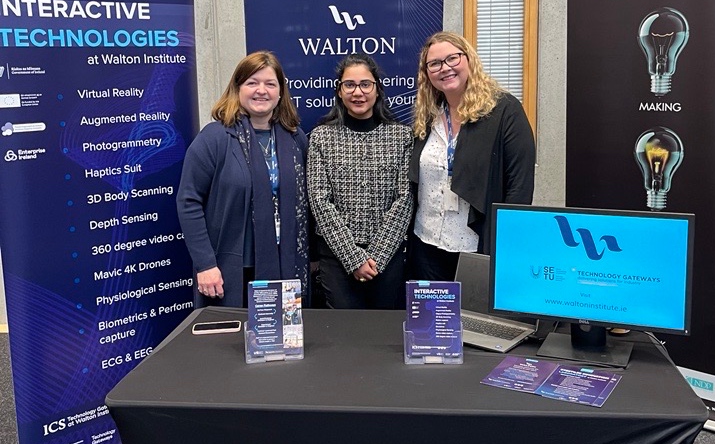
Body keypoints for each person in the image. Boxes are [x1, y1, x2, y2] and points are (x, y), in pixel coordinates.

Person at [177, 51, 310, 307]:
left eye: (270, 84)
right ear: (237, 89)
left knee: (282, 345)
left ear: (280, 92)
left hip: (286, 266)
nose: (261, 91)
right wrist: (205, 264)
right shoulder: (215, 138)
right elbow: (188, 201)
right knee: (229, 345)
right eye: (252, 83)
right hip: (233, 270)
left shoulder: (295, 139)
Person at [409, 31, 535, 281]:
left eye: (452, 59)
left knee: (473, 320)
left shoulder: (503, 111)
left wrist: (505, 243)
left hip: (476, 246)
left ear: (469, 60)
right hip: (425, 243)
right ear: (427, 73)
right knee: (431, 320)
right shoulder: (429, 116)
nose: (444, 68)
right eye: (434, 64)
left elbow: (519, 186)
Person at [307, 53, 413, 309]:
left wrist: (377, 255)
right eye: (349, 85)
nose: (358, 92)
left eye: (365, 84)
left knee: (383, 335)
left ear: (377, 90)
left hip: (387, 258)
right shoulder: (322, 137)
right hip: (336, 257)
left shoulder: (402, 136)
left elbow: (405, 199)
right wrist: (353, 258)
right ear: (339, 91)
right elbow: (319, 201)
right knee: (345, 336)